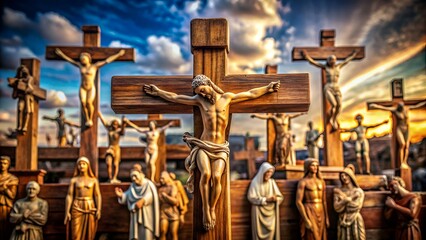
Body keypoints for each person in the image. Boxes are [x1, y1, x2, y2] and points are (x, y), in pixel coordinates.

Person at [144, 74, 280, 230]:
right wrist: (159, 92)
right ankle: (205, 210)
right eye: (199, 92)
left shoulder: (227, 98)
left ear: (208, 83)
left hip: (220, 147)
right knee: (206, 174)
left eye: (202, 90)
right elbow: (175, 97)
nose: (201, 94)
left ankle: (212, 207)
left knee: (216, 177)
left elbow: (250, 94)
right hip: (204, 145)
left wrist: (267, 89)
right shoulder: (199, 101)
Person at [55, 48, 125, 127]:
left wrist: (119, 54)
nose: (82, 60)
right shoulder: (80, 66)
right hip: (83, 87)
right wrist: (61, 54)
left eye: (84, 59)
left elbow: (107, 60)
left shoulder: (94, 67)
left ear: (89, 59)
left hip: (91, 88)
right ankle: (87, 119)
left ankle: (90, 119)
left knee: (89, 102)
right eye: (81, 59)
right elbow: (70, 61)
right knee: (83, 103)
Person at [302, 50, 358, 131]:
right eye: (330, 59)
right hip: (328, 87)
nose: (332, 61)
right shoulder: (325, 67)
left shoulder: (339, 66)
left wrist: (353, 55)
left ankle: (334, 119)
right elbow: (314, 63)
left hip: (336, 88)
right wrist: (307, 57)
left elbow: (347, 61)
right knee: (334, 105)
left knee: (339, 106)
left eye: (334, 59)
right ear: (328, 61)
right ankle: (331, 116)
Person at [369, 101, 426, 168]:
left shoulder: (407, 108)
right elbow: (384, 108)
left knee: (406, 146)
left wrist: (424, 102)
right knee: (402, 144)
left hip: (407, 129)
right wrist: (375, 106)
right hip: (400, 129)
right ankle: (401, 162)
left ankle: (405, 162)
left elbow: (417, 105)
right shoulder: (395, 110)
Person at [115, 164, 160, 240]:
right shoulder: (133, 186)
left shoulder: (148, 184)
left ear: (141, 175)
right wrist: (121, 195)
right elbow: (128, 195)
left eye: (135, 176)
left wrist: (143, 200)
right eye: (132, 176)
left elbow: (151, 195)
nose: (133, 178)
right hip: (136, 215)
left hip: (147, 215)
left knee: (147, 234)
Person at [64, 157, 101, 240]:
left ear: (88, 166)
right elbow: (69, 195)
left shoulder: (94, 180)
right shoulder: (74, 180)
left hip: (90, 206)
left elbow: (97, 195)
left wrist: (99, 209)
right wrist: (67, 211)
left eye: (84, 164)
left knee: (90, 234)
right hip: (77, 206)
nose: (81, 166)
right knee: (75, 234)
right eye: (79, 164)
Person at [247, 162, 283, 240]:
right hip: (259, 213)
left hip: (271, 214)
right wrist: (266, 199)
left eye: (270, 173)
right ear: (263, 172)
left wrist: (276, 198)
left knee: (272, 234)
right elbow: (251, 197)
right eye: (267, 172)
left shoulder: (272, 182)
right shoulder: (255, 182)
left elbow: (280, 197)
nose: (269, 174)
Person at [296, 158, 329, 240]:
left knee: (322, 236)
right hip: (309, 210)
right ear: (307, 167)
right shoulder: (303, 182)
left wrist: (327, 217)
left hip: (321, 211)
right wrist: (306, 219)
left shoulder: (321, 181)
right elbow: (298, 202)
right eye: (312, 165)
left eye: (316, 166)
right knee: (311, 235)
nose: (315, 168)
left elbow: (324, 201)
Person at [333, 164, 365, 240]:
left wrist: (343, 202)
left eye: (346, 175)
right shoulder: (338, 191)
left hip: (355, 219)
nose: (344, 178)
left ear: (351, 176)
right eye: (342, 176)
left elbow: (356, 206)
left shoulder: (358, 191)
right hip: (342, 220)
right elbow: (336, 208)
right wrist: (346, 200)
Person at [98, 111, 126, 183]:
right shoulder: (109, 129)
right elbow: (104, 122)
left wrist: (123, 123)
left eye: (116, 124)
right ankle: (110, 178)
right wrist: (99, 114)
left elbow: (122, 131)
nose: (114, 126)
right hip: (110, 148)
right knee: (108, 163)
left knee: (115, 164)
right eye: (113, 124)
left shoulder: (119, 131)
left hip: (116, 148)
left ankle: (114, 178)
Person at [8, 65, 34, 133]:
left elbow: (31, 88)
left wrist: (28, 86)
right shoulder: (18, 80)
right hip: (21, 97)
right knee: (20, 109)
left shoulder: (30, 78)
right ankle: (19, 126)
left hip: (27, 97)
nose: (22, 73)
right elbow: (14, 95)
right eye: (21, 71)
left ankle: (25, 126)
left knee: (27, 111)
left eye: (24, 71)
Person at [0, 156, 19, 240]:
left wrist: (5, 189)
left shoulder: (12, 179)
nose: (2, 165)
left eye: (5, 163)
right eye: (0, 163)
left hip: (5, 205)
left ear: (8, 165)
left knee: (4, 226)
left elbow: (12, 195)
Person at [158, 171, 180, 240]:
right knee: (162, 231)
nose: (161, 180)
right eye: (160, 179)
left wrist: (166, 196)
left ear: (167, 178)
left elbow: (175, 202)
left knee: (173, 232)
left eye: (163, 178)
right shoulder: (161, 189)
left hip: (173, 213)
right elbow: (159, 202)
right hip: (163, 213)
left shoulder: (173, 187)